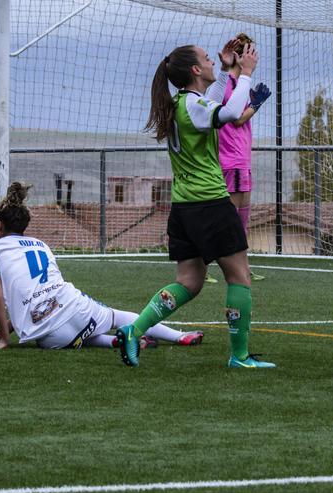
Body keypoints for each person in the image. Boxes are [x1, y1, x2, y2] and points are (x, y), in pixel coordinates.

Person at [115, 38, 275, 368]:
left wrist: (230, 70)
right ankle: (240, 356)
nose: (213, 61)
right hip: (210, 204)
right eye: (208, 59)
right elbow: (230, 112)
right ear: (195, 69)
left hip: (184, 208)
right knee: (239, 278)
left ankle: (134, 329)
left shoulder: (181, 104)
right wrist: (245, 72)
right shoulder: (191, 107)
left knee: (189, 281)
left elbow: (210, 103)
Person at [0, 182, 203, 350]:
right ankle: (178, 336)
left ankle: (113, 342)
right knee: (116, 317)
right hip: (76, 308)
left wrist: (4, 335)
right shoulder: (41, 245)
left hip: (50, 337)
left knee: (59, 336)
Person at [214, 32, 271, 282]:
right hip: (232, 161)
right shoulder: (227, 83)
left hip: (242, 161)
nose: (253, 57)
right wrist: (256, 105)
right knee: (231, 222)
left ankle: (244, 268)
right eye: (249, 52)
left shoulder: (240, 85)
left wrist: (253, 102)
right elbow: (237, 118)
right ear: (239, 56)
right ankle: (202, 263)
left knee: (241, 220)